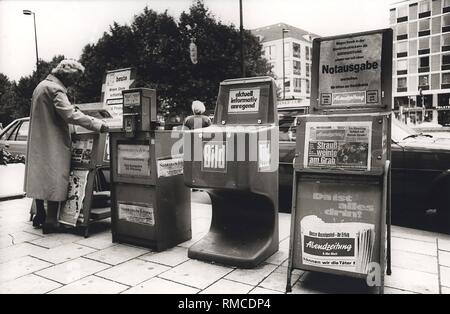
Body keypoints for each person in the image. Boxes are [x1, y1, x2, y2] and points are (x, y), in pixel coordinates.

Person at [24, 59, 108, 234]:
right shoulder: (56, 89)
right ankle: (51, 221)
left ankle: (40, 214)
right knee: (56, 177)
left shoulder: (41, 86)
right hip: (53, 140)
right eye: (74, 78)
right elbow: (69, 114)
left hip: (40, 140)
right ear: (66, 74)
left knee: (41, 177)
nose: (75, 82)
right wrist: (97, 124)